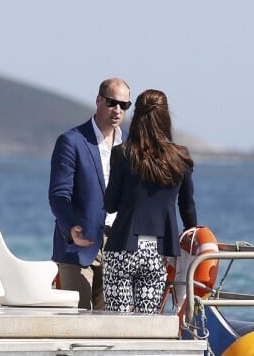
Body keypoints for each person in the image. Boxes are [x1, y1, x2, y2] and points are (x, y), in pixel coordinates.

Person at [102, 89, 197, 314]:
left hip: (122, 247)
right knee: (148, 323)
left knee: (118, 323)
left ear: (136, 117)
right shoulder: (181, 157)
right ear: (166, 117)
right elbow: (188, 209)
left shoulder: (122, 153)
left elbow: (110, 204)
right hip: (158, 251)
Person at [49, 78, 131, 310]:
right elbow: (58, 194)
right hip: (80, 243)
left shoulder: (130, 146)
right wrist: (70, 227)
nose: (117, 110)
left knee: (111, 325)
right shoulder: (71, 141)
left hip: (118, 244)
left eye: (124, 105)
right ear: (98, 100)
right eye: (112, 103)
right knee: (78, 320)